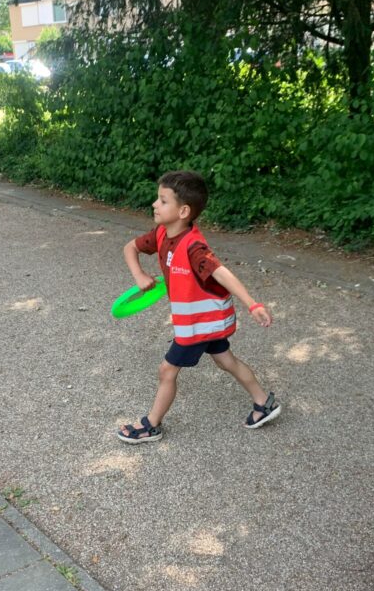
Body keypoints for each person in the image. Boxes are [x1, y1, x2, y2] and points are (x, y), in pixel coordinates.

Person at [117, 170, 282, 443]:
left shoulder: (194, 248)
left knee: (167, 370)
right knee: (225, 360)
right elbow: (129, 248)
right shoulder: (160, 234)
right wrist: (139, 276)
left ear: (183, 211)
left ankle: (150, 425)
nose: (154, 204)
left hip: (199, 324)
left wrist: (253, 304)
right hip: (207, 321)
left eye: (162, 200)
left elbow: (221, 273)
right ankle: (264, 402)